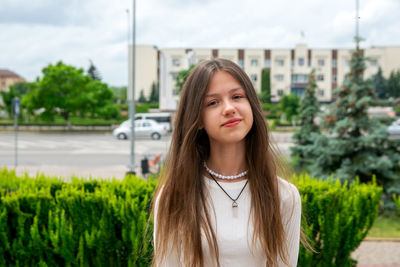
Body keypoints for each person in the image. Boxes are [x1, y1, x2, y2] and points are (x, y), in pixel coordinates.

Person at [152, 58, 302, 267]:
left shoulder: (284, 196)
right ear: (198, 119)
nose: (229, 108)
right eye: (213, 102)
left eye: (237, 96)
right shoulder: (174, 196)